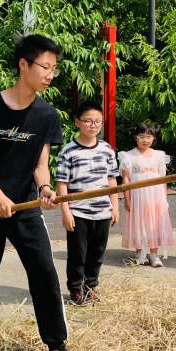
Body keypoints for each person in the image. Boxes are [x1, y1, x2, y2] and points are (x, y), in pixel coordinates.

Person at [0, 34, 88, 351]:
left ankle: (57, 349)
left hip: (26, 208)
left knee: (45, 274)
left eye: (54, 69)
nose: (50, 74)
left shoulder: (46, 115)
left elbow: (40, 163)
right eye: (45, 66)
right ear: (24, 65)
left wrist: (44, 188)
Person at [55, 102, 119, 306]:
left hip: (103, 211)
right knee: (77, 254)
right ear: (77, 122)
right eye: (88, 121)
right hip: (78, 212)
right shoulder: (68, 151)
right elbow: (62, 184)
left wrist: (115, 207)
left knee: (97, 253)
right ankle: (75, 289)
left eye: (98, 121)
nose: (93, 125)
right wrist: (65, 211)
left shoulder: (107, 149)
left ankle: (91, 286)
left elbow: (112, 180)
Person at [118, 123, 173, 267]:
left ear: (153, 138)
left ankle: (154, 255)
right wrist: (127, 199)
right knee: (139, 222)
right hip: (138, 196)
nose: (145, 140)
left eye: (149, 136)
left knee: (155, 223)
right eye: (141, 136)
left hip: (156, 196)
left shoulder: (159, 155)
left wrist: (164, 198)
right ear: (135, 137)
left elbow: (163, 178)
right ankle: (140, 254)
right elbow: (125, 179)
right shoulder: (128, 156)